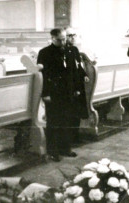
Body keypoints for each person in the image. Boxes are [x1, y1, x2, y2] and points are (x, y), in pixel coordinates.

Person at [37, 28, 78, 162]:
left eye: (64, 39)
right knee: (54, 122)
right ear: (52, 38)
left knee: (67, 120)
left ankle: (65, 148)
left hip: (67, 92)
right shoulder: (44, 53)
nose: (62, 42)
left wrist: (75, 88)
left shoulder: (69, 50)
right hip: (53, 92)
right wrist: (45, 93)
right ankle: (53, 151)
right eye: (59, 40)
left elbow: (73, 71)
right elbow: (42, 75)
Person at [65, 27, 90, 143]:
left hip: (78, 83)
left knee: (78, 111)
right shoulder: (62, 50)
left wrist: (84, 74)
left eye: (74, 35)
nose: (73, 38)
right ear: (65, 37)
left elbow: (78, 65)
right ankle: (69, 138)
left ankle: (76, 136)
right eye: (70, 36)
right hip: (70, 85)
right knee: (70, 112)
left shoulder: (75, 49)